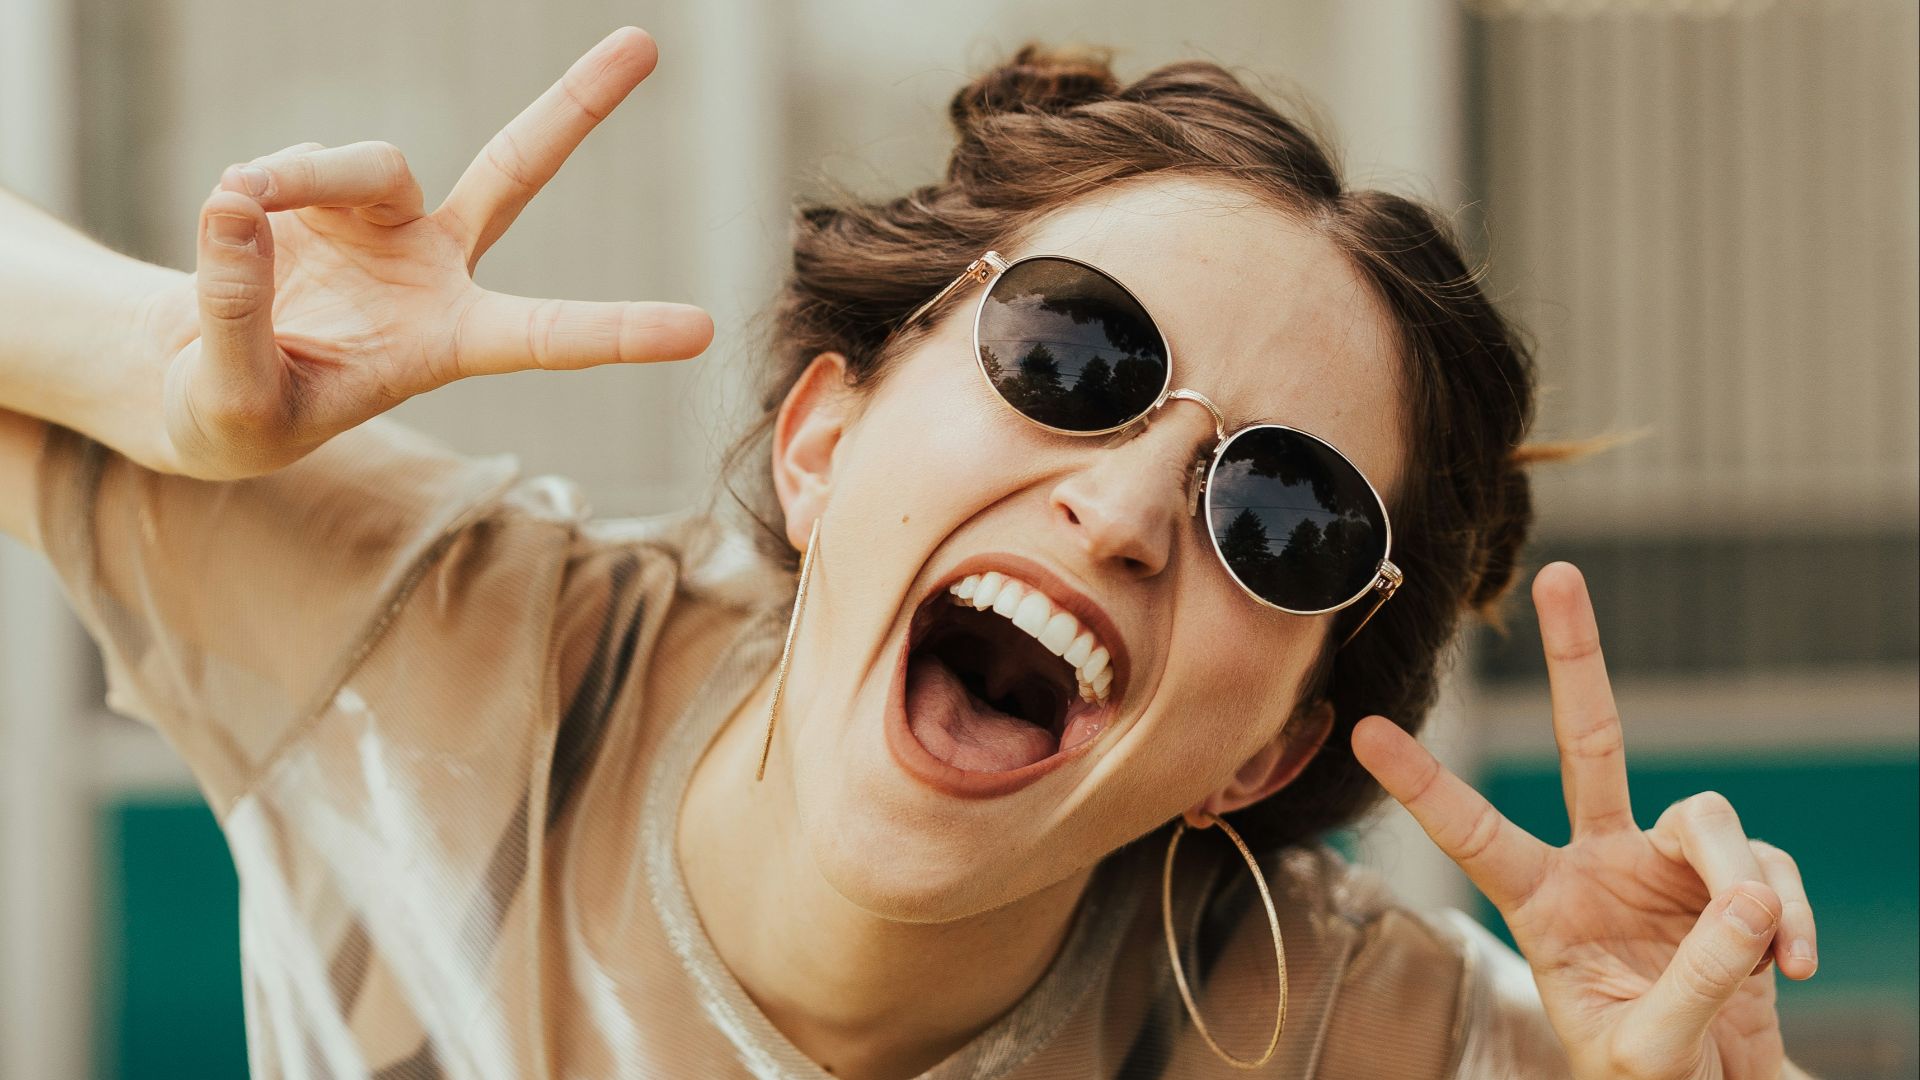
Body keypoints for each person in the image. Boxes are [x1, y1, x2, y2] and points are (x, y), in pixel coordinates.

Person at [0, 26, 1823, 1080]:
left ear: (1265, 753)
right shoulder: (438, 646)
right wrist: (157, 370)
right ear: (825, 435)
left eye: (1280, 517)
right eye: (1075, 356)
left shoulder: (1350, 1036)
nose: (1118, 514)